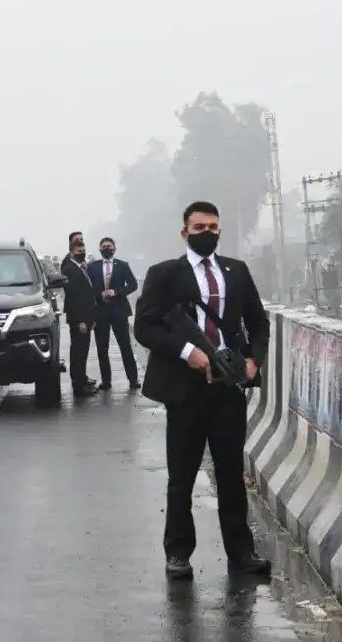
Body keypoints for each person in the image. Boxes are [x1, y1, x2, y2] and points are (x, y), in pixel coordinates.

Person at [133, 201, 271, 579]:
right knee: (182, 475)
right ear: (185, 233)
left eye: (212, 227)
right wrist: (186, 351)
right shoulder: (164, 274)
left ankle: (241, 554)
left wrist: (254, 360)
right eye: (199, 228)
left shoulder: (236, 271)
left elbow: (258, 321)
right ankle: (178, 554)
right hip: (185, 388)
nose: (207, 233)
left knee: (231, 472)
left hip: (228, 386)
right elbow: (144, 327)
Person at [87, 237, 140, 390]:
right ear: (99, 249)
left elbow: (133, 284)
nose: (106, 248)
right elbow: (88, 287)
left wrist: (116, 292)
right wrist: (99, 294)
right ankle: (106, 381)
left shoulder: (122, 265)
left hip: (119, 311)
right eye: (103, 246)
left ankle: (133, 379)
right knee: (102, 349)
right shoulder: (93, 267)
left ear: (114, 248)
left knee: (125, 346)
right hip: (100, 312)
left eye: (109, 246)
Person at [61, 239, 97, 396]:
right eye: (78, 251)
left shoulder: (80, 267)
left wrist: (91, 318)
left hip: (86, 316)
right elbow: (72, 298)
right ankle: (78, 386)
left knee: (83, 351)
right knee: (78, 352)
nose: (82, 253)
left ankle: (82, 379)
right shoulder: (70, 269)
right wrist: (80, 321)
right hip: (79, 319)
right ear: (71, 252)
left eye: (83, 250)